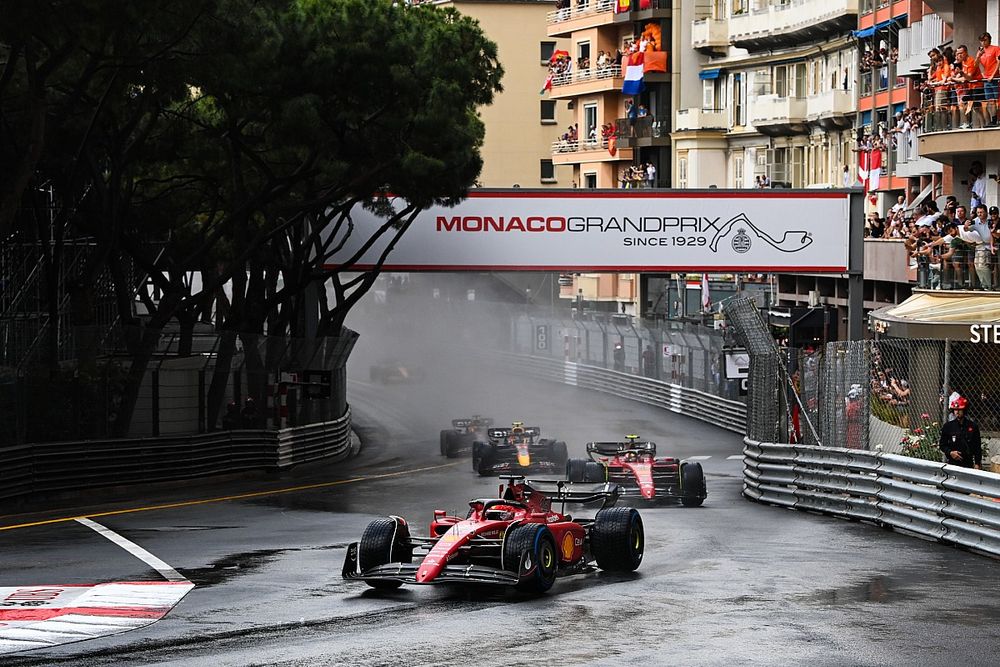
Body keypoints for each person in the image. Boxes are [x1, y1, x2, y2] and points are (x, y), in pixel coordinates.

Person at [938, 395, 982, 469]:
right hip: (952, 463)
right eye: (955, 410)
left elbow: (977, 447)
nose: (957, 412)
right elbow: (942, 445)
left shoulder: (973, 426)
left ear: (964, 410)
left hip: (968, 463)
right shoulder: (948, 426)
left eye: (959, 410)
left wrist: (977, 463)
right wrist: (950, 452)